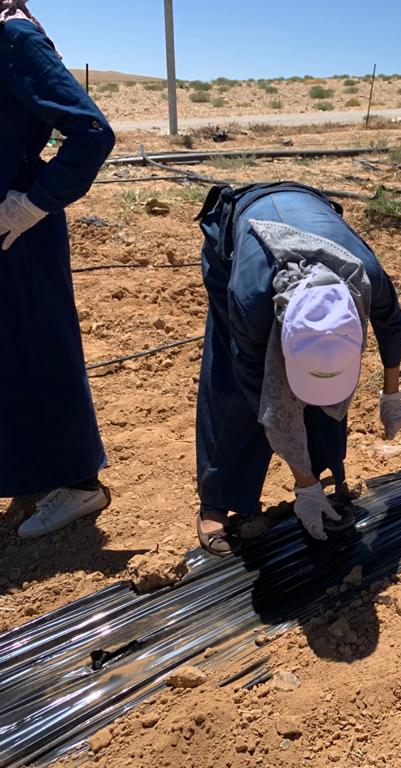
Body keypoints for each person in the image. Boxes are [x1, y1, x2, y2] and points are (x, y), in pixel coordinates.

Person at [194, 182, 401, 555]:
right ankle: (219, 500)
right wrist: (301, 484)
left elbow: (392, 324)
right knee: (237, 396)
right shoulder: (250, 302)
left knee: (325, 396)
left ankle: (324, 479)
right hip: (238, 238)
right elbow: (263, 396)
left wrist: (392, 393)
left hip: (308, 209)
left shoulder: (365, 278)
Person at [0, 1, 116, 538]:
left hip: (20, 229)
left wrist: (31, 204)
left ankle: (78, 484)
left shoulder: (15, 38)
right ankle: (29, 470)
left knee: (40, 347)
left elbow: (91, 132)